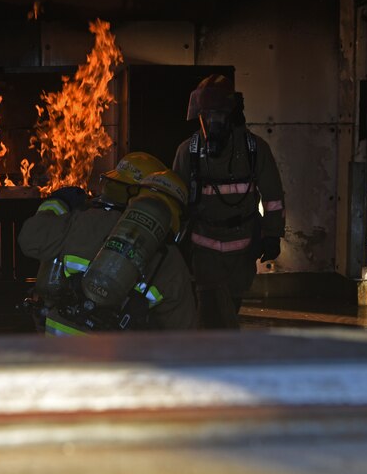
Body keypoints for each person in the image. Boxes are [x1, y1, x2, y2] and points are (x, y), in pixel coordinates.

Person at [18, 152, 197, 333]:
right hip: (118, 357)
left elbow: (30, 240)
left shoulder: (86, 220)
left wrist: (58, 203)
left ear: (135, 194)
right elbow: (184, 334)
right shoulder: (172, 261)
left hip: (58, 349)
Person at [172, 74, 285, 329]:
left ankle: (218, 355)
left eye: (218, 114)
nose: (212, 122)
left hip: (242, 249)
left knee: (230, 304)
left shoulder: (255, 149)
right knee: (211, 311)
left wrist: (273, 235)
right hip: (203, 248)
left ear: (231, 113)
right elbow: (176, 198)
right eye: (207, 115)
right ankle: (216, 356)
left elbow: (273, 197)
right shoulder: (187, 151)